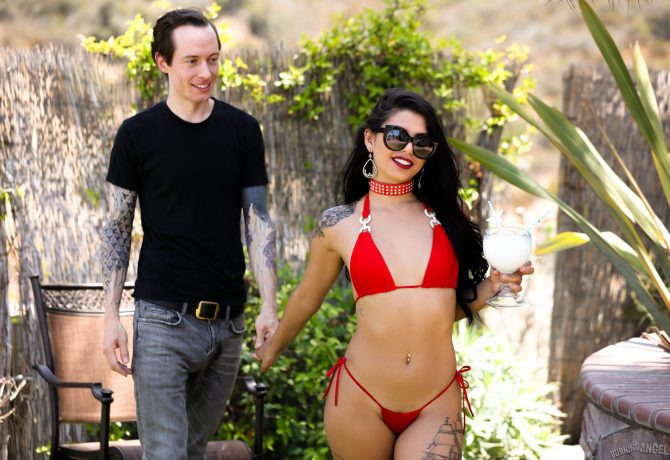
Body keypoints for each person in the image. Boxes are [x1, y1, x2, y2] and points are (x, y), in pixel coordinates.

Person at [255, 89, 534, 459]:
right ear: (370, 139)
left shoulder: (449, 215)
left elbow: (442, 310)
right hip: (359, 399)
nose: (408, 150)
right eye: (397, 137)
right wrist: (272, 347)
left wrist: (494, 285)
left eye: (422, 143)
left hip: (436, 402)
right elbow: (308, 297)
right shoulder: (337, 224)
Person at [101, 8, 278, 459]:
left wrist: (269, 305)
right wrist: (110, 316)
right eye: (193, 61)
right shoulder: (137, 135)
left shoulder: (242, 131)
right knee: (166, 454)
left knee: (192, 452)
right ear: (163, 62)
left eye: (213, 59)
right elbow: (117, 228)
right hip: (163, 321)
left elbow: (257, 221)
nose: (206, 72)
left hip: (228, 325)